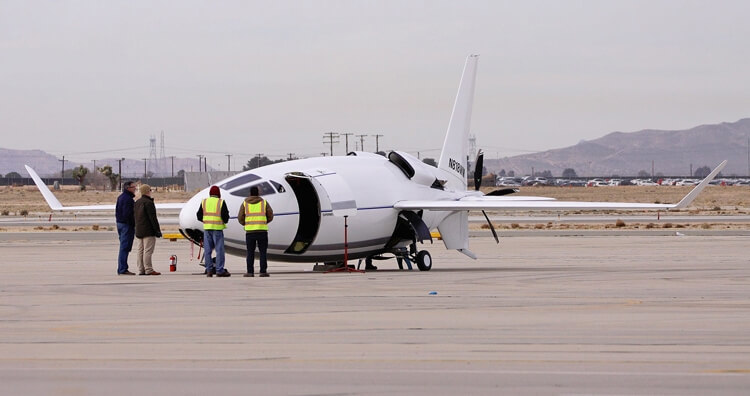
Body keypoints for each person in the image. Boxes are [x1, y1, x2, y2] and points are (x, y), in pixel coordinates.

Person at [238, 185, 273, 277]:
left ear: (250, 193)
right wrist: (264, 222)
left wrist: (246, 224)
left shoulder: (245, 203)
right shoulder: (264, 202)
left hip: (250, 232)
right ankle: (263, 271)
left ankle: (250, 272)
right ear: (258, 193)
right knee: (263, 252)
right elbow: (270, 215)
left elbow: (240, 217)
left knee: (250, 252)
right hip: (262, 231)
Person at [197, 186, 230, 277]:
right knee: (219, 250)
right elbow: (225, 216)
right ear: (218, 193)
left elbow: (199, 215)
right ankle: (219, 270)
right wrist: (224, 221)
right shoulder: (221, 202)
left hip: (207, 229)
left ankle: (209, 270)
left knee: (207, 250)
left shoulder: (204, 202)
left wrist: (206, 221)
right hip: (218, 229)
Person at [134, 184, 162, 275]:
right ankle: (149, 269)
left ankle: (141, 269)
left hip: (139, 229)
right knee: (148, 251)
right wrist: (157, 230)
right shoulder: (149, 203)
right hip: (148, 230)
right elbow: (152, 218)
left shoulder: (137, 202)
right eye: (150, 190)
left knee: (140, 250)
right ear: (147, 191)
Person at [115, 181, 137, 275]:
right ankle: (122, 269)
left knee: (124, 246)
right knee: (124, 247)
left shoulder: (121, 197)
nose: (135, 189)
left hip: (120, 224)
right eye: (133, 187)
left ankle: (122, 267)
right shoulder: (127, 199)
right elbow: (127, 214)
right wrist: (133, 223)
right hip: (126, 225)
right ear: (128, 188)